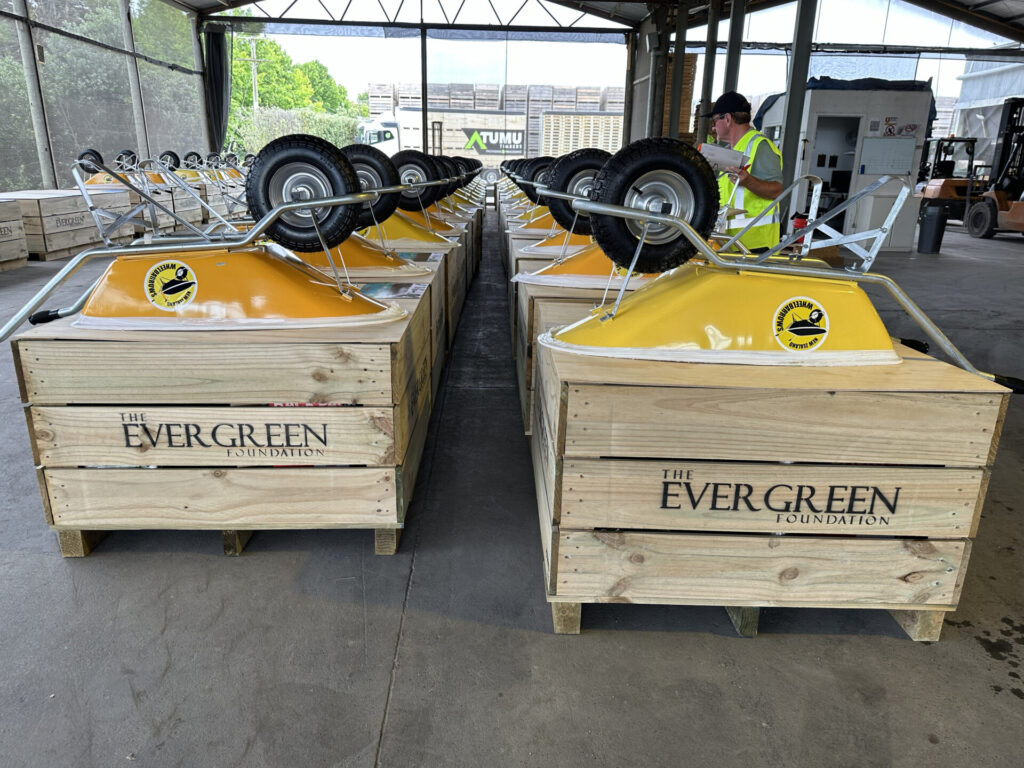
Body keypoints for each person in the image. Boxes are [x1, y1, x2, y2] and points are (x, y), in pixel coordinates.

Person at [706, 91, 784, 252]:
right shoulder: (732, 150)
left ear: (727, 119)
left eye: (714, 120)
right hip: (733, 243)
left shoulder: (760, 146)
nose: (713, 127)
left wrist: (748, 181)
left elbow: (776, 190)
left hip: (756, 245)